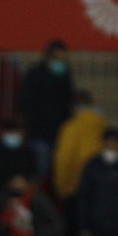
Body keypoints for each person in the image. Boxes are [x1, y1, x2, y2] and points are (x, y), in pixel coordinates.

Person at [18, 40, 75, 179]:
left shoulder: (65, 75)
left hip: (60, 132)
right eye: (56, 57)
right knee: (41, 168)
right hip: (40, 132)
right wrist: (34, 121)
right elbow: (26, 102)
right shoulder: (35, 75)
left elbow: (68, 100)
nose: (59, 61)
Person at [54, 90, 108, 203]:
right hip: (102, 182)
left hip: (77, 183)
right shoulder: (103, 125)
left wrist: (62, 186)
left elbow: (65, 157)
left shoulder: (71, 127)